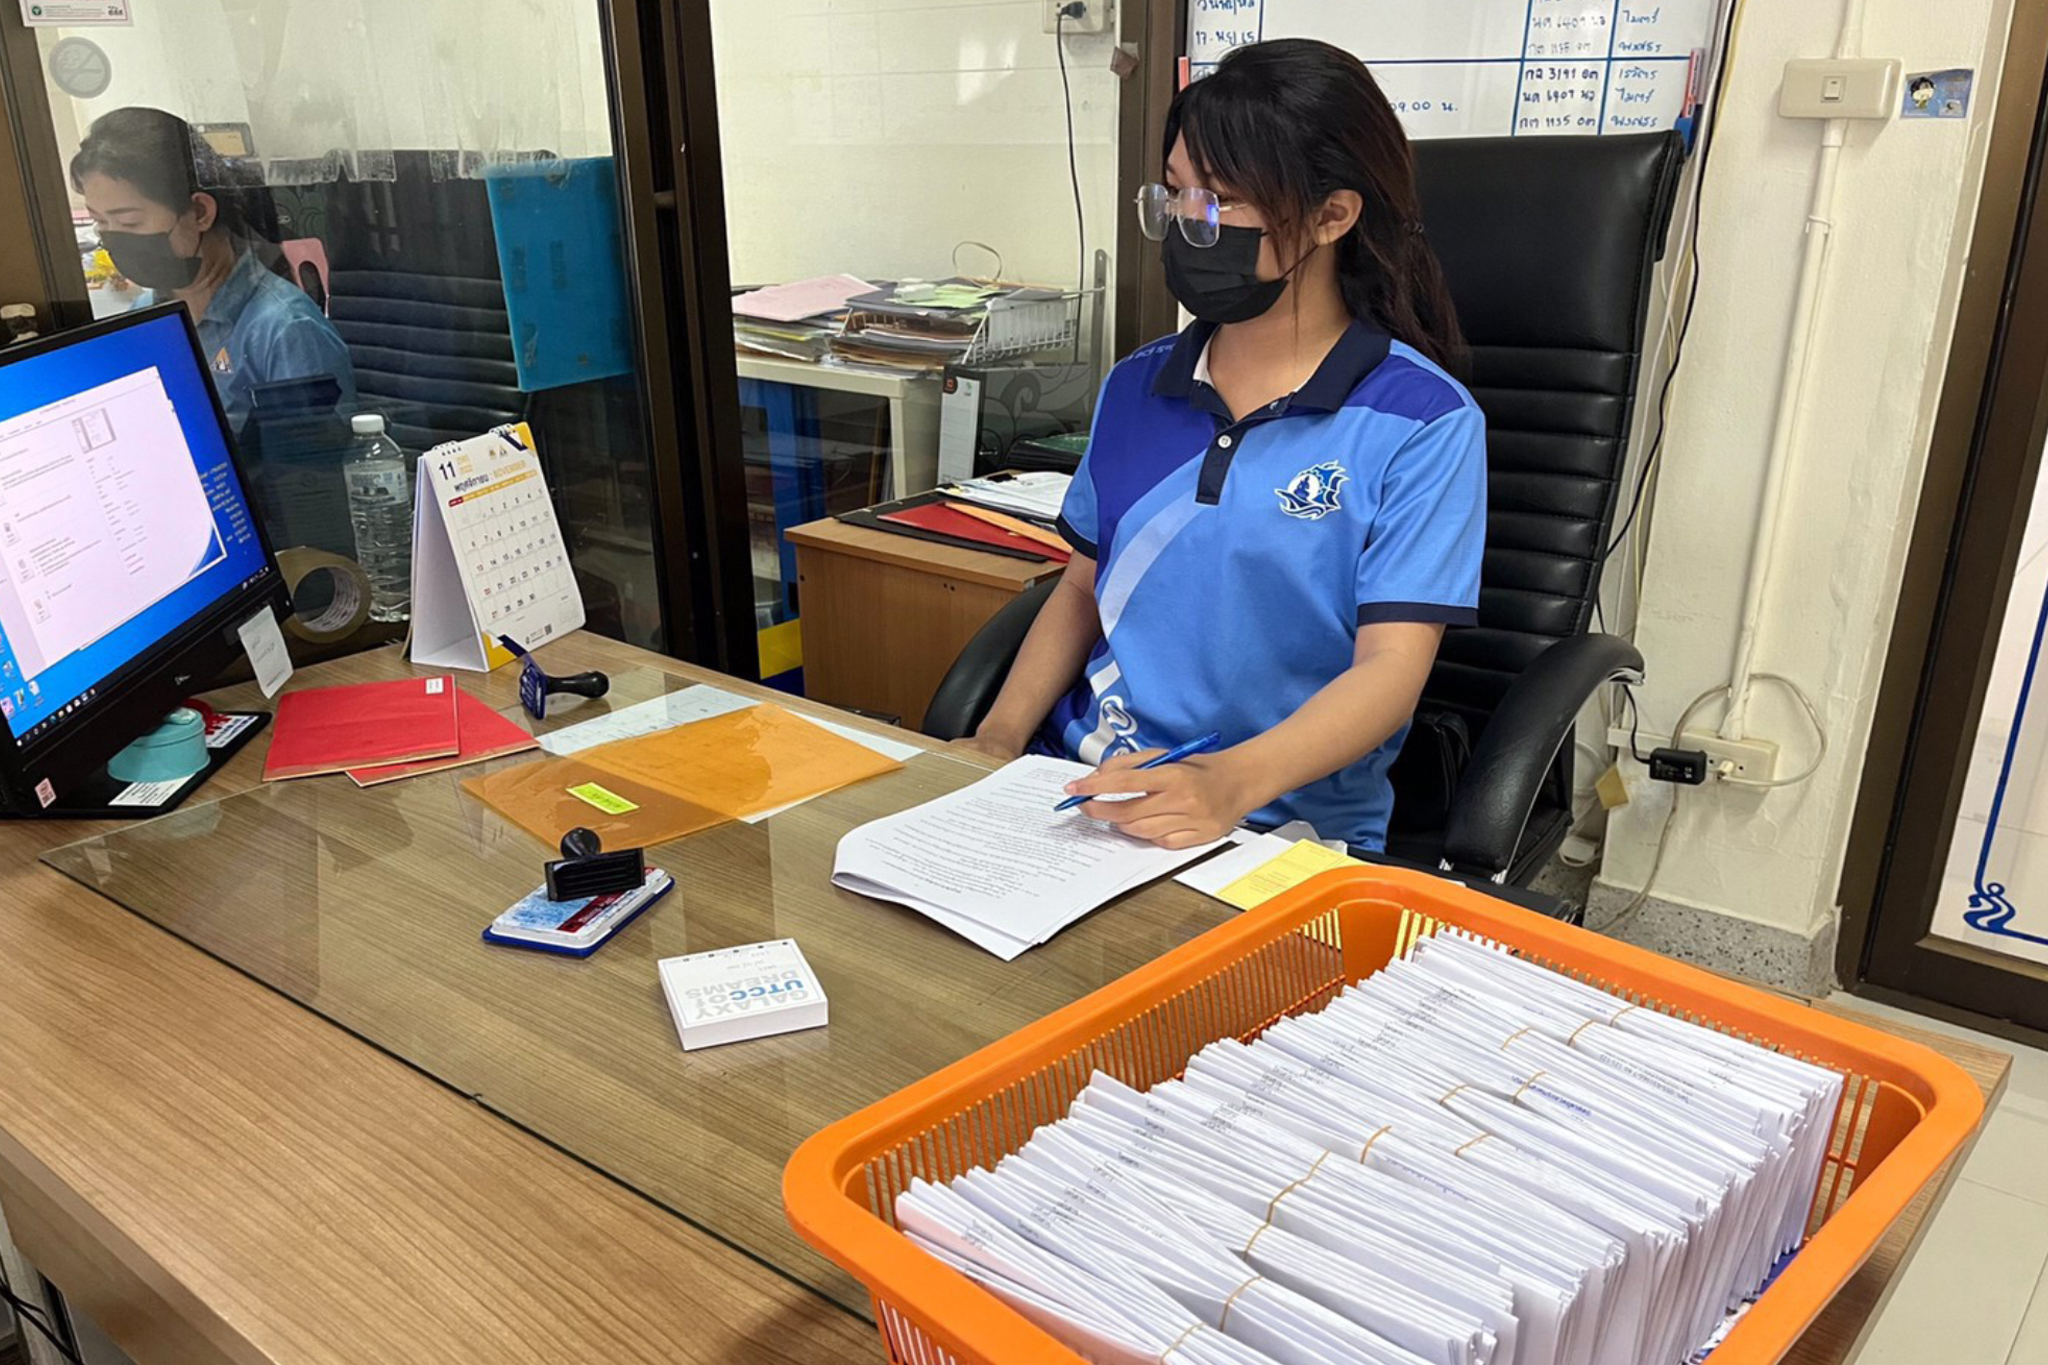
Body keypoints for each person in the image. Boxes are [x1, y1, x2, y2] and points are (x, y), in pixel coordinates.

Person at [957, 38, 1486, 854]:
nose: (1185, 223)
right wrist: (995, 741)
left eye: (1222, 202)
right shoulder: (1137, 384)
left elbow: (1390, 671)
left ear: (1332, 216)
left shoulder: (1424, 421)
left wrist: (1225, 786)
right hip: (1081, 788)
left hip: (1277, 823)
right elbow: (1080, 589)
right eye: (1174, 194)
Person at [71, 107, 356, 422]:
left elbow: (315, 462)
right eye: (100, 222)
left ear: (199, 212)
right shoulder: (145, 316)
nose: (114, 238)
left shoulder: (283, 328)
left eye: (130, 221)